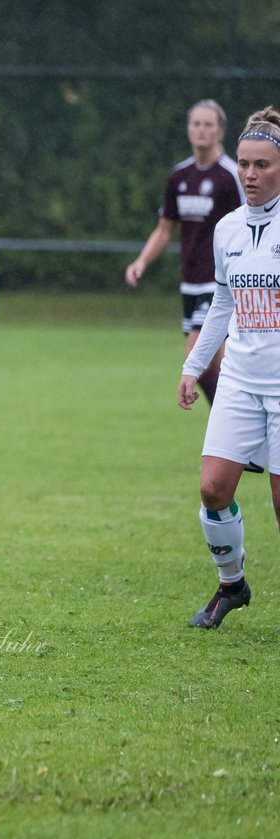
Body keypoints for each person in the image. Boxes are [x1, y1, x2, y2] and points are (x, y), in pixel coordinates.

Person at [177, 105, 280, 629]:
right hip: (239, 380)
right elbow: (222, 303)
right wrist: (194, 367)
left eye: (263, 165)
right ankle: (231, 584)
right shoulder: (228, 229)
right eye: (244, 164)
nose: (251, 174)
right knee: (213, 489)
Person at [127, 99, 246, 407]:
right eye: (196, 124)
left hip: (219, 283)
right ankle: (243, 436)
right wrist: (141, 260)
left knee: (198, 359)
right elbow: (165, 229)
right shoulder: (179, 176)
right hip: (190, 282)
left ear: (220, 131)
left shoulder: (231, 175)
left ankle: (233, 431)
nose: (201, 130)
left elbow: (253, 222)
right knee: (216, 364)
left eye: (208, 124)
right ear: (188, 129)